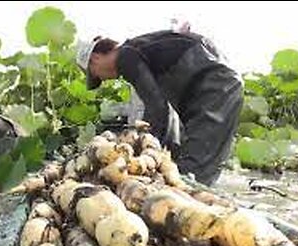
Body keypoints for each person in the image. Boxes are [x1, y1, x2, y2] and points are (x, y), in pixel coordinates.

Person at [76, 29, 243, 186]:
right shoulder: (140, 48)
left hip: (214, 88)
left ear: (95, 58)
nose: (103, 80)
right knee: (198, 167)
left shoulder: (126, 56)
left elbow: (157, 107)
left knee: (192, 172)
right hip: (222, 86)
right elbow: (165, 111)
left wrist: (144, 146)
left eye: (96, 75)